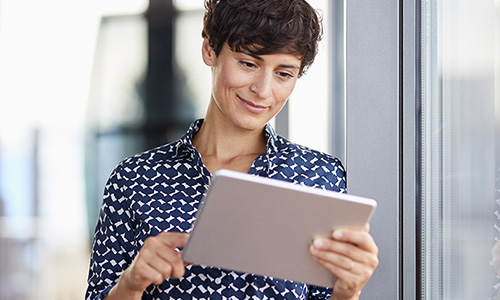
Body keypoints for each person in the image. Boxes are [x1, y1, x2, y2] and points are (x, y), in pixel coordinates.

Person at [85, 0, 379, 299]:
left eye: (284, 73)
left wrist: (348, 291)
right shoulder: (134, 179)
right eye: (249, 64)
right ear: (209, 49)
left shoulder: (319, 176)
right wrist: (131, 284)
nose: (263, 91)